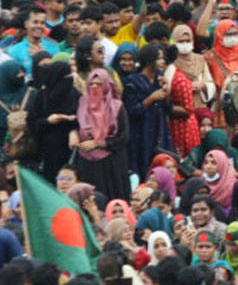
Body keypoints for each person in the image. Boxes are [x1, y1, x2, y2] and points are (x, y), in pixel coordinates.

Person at [71, 69, 129, 201]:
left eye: (99, 84)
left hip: (111, 164)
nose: (95, 87)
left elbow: (123, 136)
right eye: (91, 84)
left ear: (107, 86)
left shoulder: (116, 107)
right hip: (86, 162)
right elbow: (76, 124)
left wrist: (98, 144)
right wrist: (74, 135)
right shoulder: (82, 103)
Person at [124, 45, 172, 176]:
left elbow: (168, 108)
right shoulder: (132, 82)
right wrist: (151, 98)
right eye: (159, 58)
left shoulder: (160, 78)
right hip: (141, 135)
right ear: (149, 61)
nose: (163, 62)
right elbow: (131, 111)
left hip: (160, 131)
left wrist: (167, 92)